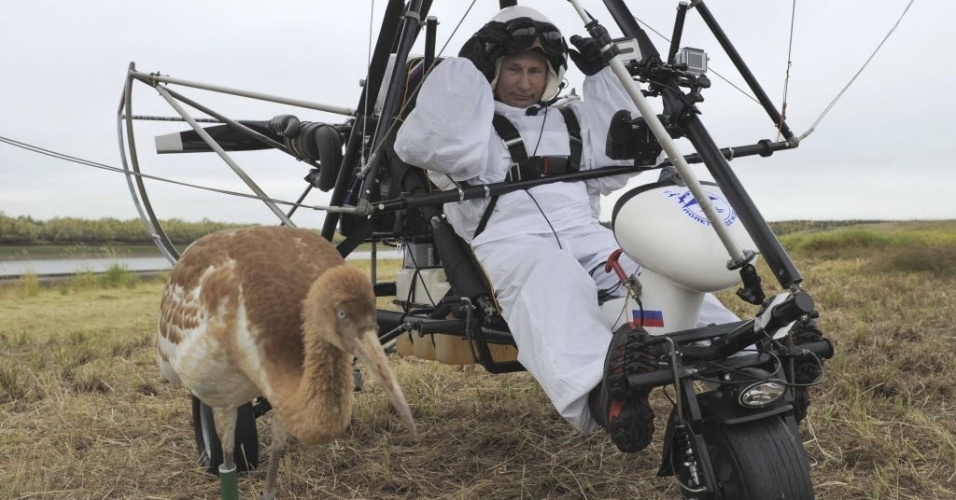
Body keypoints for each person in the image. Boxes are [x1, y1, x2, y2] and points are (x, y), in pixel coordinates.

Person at [394, 6, 740, 452]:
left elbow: (620, 162)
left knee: (652, 270)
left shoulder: (571, 116)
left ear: (551, 74)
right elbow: (429, 148)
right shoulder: (469, 124)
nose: (524, 82)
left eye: (535, 70)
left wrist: (605, 79)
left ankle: (742, 360)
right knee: (552, 273)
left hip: (586, 234)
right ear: (492, 70)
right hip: (510, 241)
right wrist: (465, 72)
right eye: (513, 68)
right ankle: (606, 393)